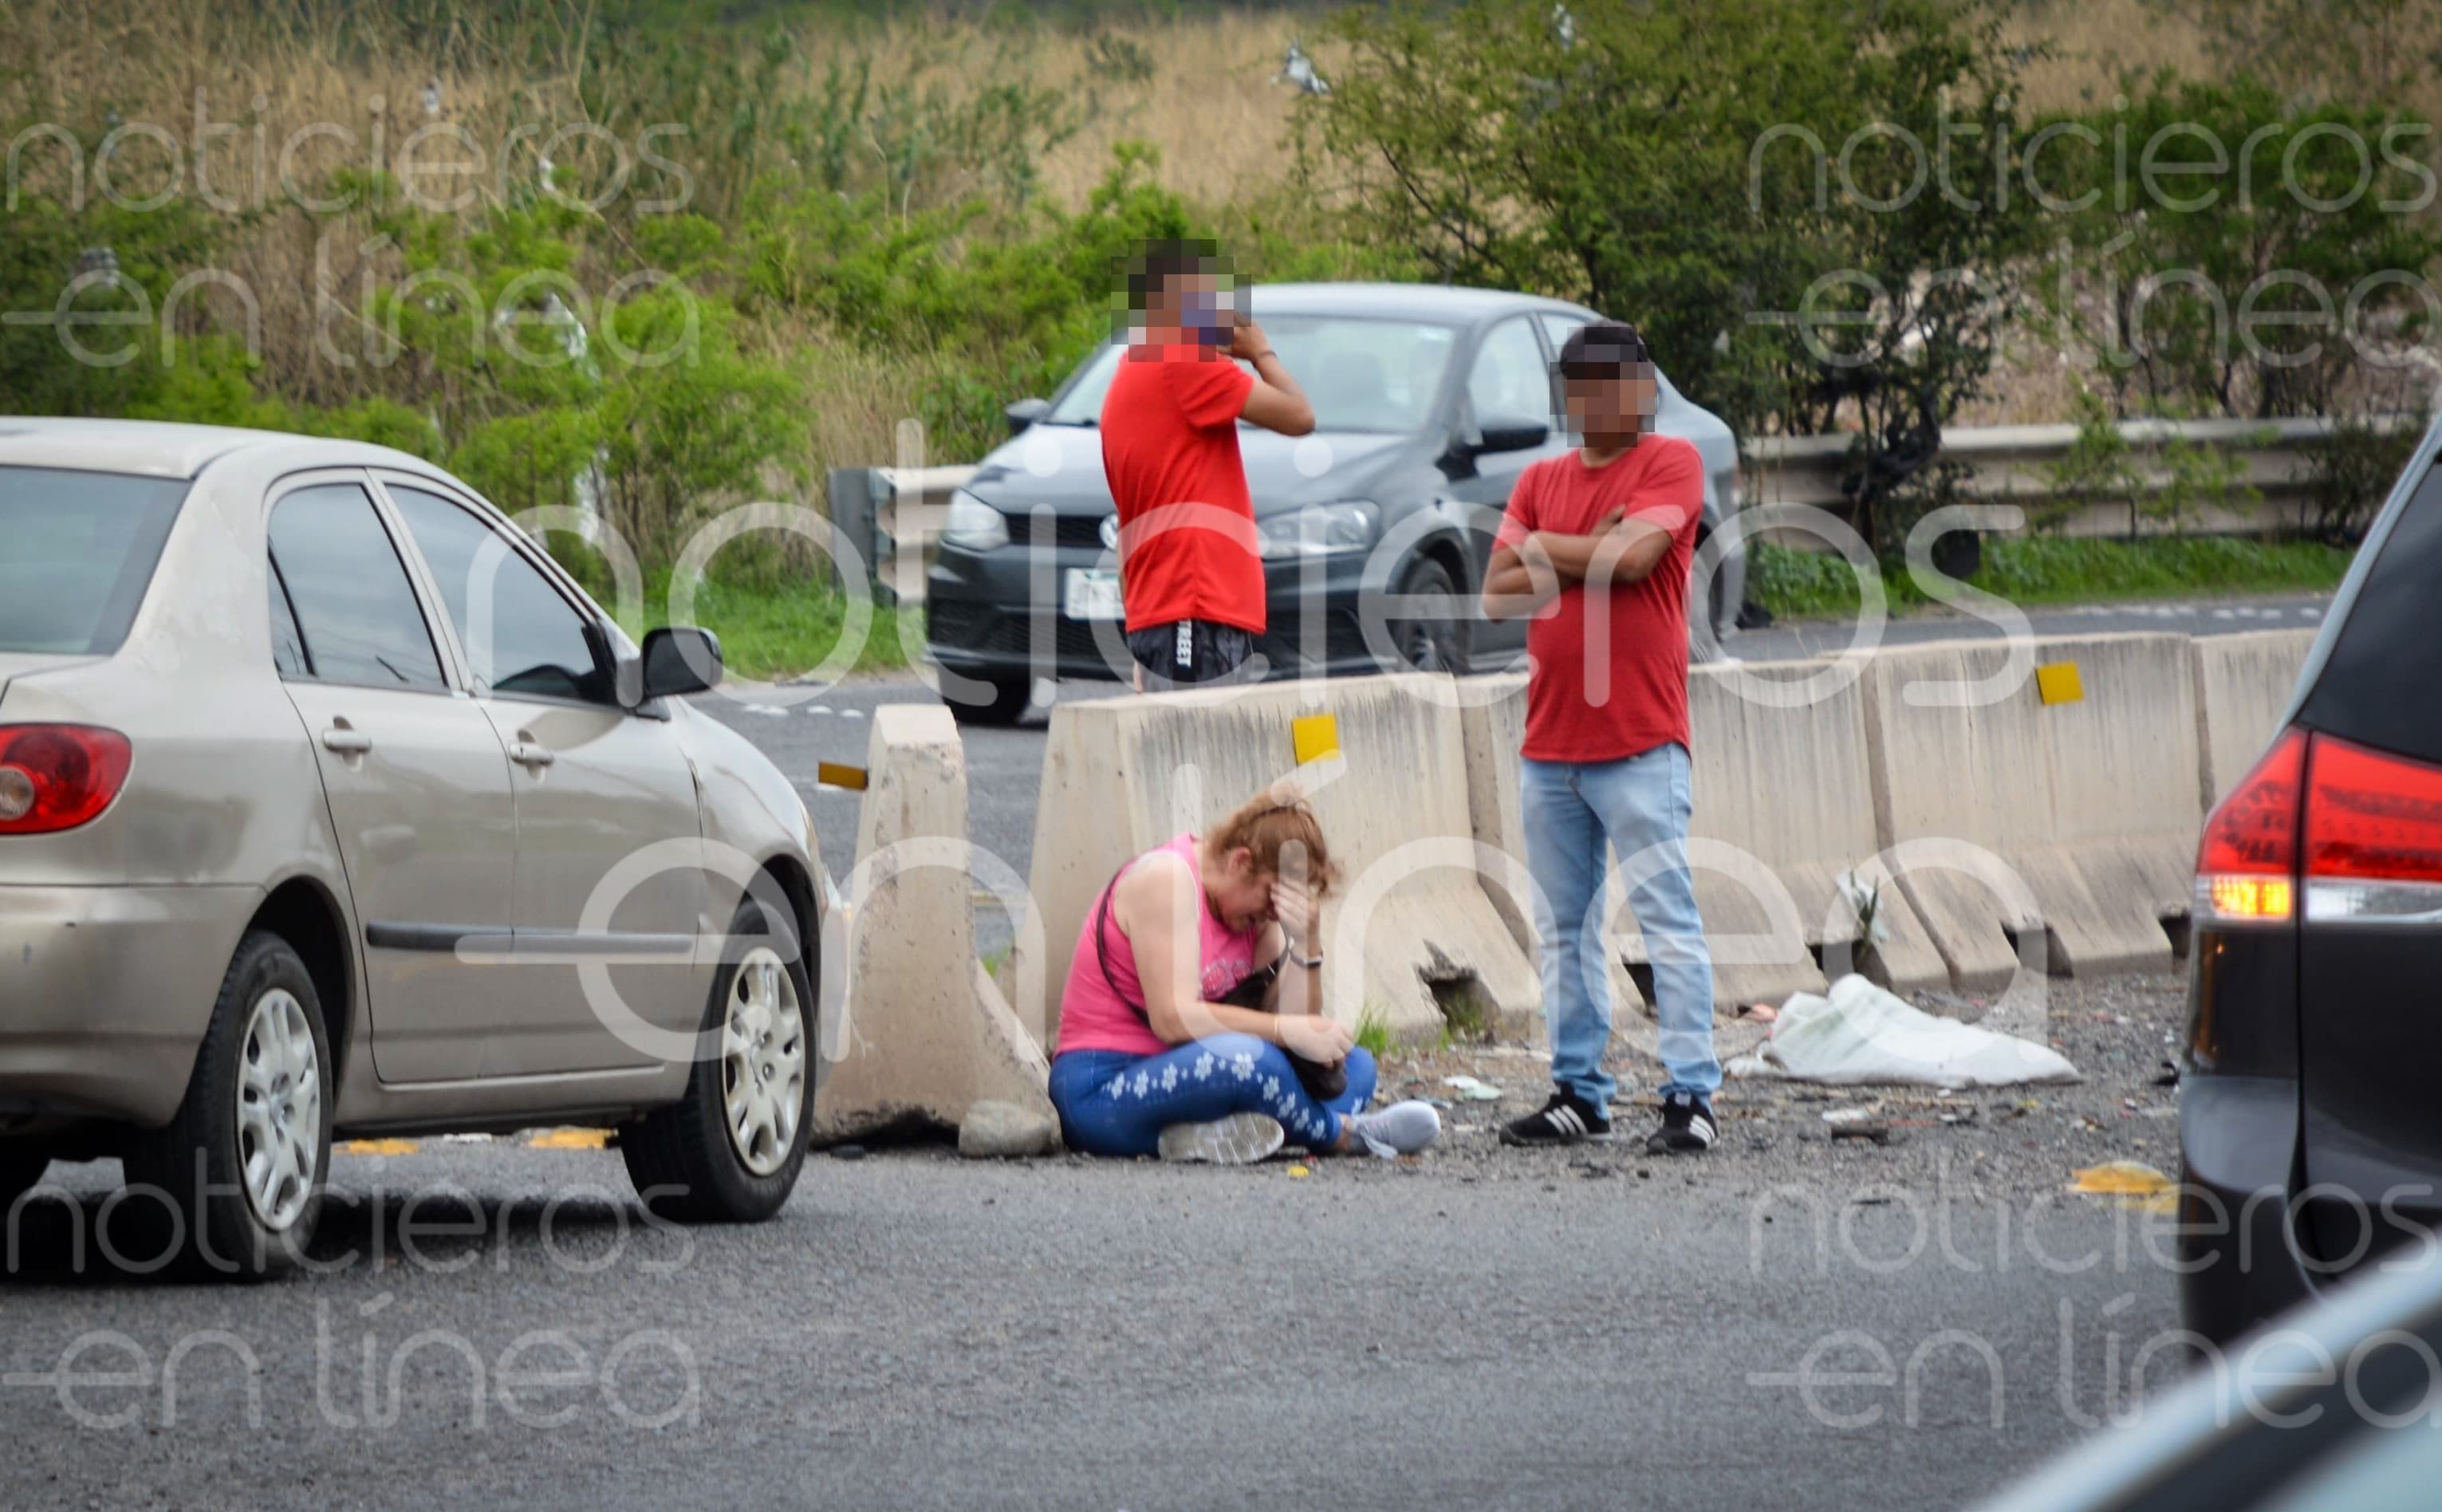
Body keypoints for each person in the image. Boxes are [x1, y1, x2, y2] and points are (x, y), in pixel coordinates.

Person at [1479, 321, 1723, 1156]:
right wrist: (1570, 544)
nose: (1625, 400)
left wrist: (1546, 548)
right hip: (1550, 744)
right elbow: (1495, 596)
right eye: (1595, 386)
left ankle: (1690, 1093)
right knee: (1563, 928)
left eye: (1633, 384)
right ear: (1575, 395)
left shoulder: (1669, 464)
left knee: (1666, 920)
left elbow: (1636, 558)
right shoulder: (1540, 478)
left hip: (1639, 739)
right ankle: (1577, 1091)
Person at [1048, 789, 1440, 1164]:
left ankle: (1210, 1137)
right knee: (1250, 1060)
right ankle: (1338, 1134)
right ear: (1239, 862)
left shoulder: (1252, 914)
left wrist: (1306, 944)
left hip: (1195, 1083)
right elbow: (1173, 1019)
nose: (1274, 914)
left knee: (1356, 1066)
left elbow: (1291, 1019)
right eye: (1271, 897)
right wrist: (1285, 1031)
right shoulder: (1167, 880)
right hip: (1103, 1094)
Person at [1099, 240, 1316, 691]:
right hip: (1194, 608)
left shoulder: (1132, 371)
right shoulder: (1184, 362)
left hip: (1164, 611)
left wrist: (1139, 627)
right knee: (1204, 757)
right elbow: (1300, 416)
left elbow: (1129, 523)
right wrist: (1260, 352)